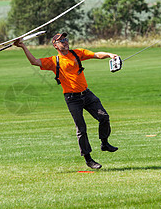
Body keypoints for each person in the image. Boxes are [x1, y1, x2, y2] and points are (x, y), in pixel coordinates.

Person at [14, 32, 118, 169]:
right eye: (61, 40)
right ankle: (88, 159)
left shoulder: (77, 53)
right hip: (72, 98)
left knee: (104, 117)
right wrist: (22, 46)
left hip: (87, 94)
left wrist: (111, 55)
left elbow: (96, 55)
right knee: (81, 129)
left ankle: (104, 143)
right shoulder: (53, 61)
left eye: (66, 39)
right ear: (55, 45)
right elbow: (34, 61)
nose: (65, 42)